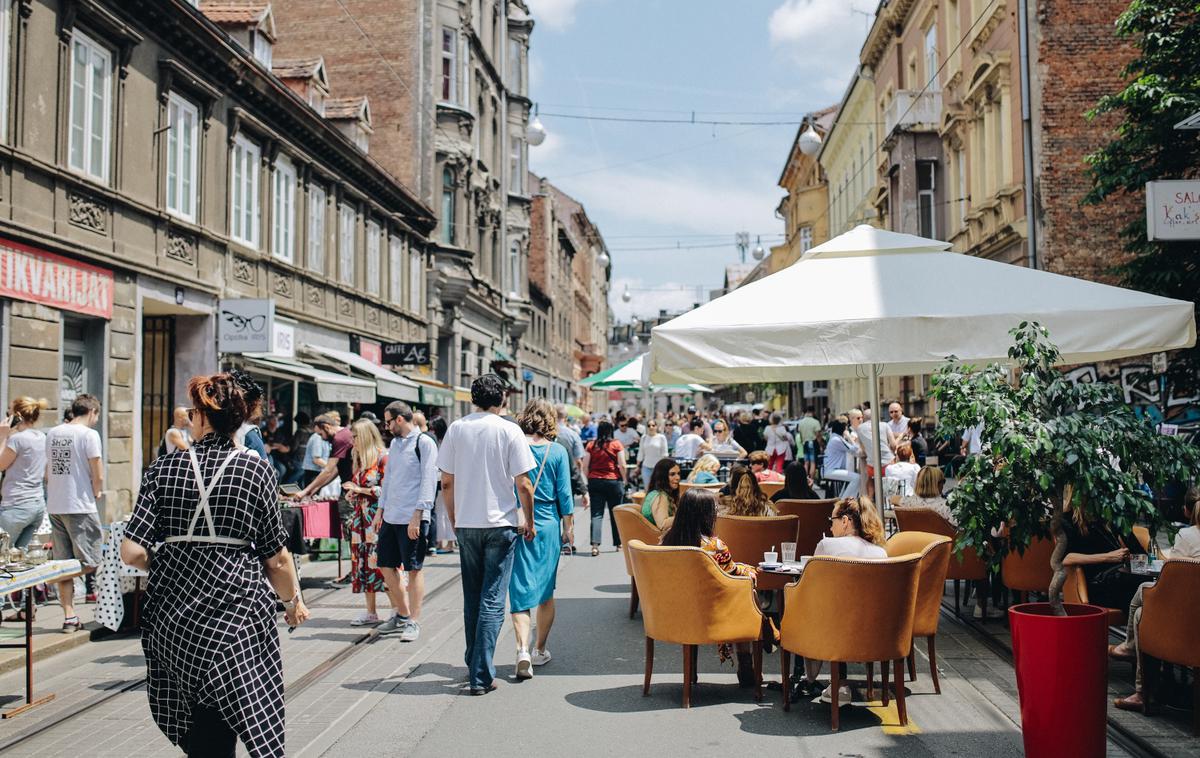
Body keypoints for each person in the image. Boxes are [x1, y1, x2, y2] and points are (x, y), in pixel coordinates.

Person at [120, 372, 309, 757]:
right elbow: (276, 558)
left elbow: (131, 551)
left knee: (195, 722)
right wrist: (292, 604)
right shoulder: (255, 470)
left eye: (194, 410)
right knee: (241, 710)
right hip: (236, 616)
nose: (190, 416)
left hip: (175, 623)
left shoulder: (163, 470)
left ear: (204, 417)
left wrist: (174, 563)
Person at [436, 374, 536, 695]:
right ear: (503, 399)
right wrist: (529, 520)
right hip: (501, 524)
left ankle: (474, 663)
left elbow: (446, 482)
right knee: (493, 598)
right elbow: (523, 484)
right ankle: (480, 674)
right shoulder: (509, 430)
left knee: (472, 596)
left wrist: (454, 518)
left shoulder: (456, 428)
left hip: (467, 523)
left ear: (472, 399)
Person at [1112, 486, 1200, 712]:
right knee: (1144, 606)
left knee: (1144, 605)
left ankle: (1142, 691)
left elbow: (1173, 580)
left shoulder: (1187, 535)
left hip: (1186, 621)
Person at [659, 488, 758, 685]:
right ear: (706, 514)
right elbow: (731, 573)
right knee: (746, 594)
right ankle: (747, 663)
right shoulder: (714, 546)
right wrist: (750, 571)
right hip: (710, 612)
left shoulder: (666, 542)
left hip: (675, 610)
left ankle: (691, 670)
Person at [797, 497, 888, 702]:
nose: (830, 527)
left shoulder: (827, 545)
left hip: (835, 631)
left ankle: (811, 678)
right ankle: (840, 682)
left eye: (833, 520)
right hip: (875, 632)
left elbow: (809, 585)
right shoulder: (881, 553)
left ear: (845, 521)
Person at [508, 399, 574, 678]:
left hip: (518, 523)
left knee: (519, 591)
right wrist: (568, 528)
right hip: (547, 526)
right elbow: (565, 495)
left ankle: (522, 650)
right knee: (546, 592)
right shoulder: (557, 451)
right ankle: (540, 649)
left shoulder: (513, 447)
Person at [376, 401, 439, 641]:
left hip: (412, 516)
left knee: (413, 569)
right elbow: (389, 479)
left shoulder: (424, 443)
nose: (386, 425)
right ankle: (401, 614)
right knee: (385, 564)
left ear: (400, 420)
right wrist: (380, 510)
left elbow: (428, 481)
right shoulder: (395, 443)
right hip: (392, 514)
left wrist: (418, 514)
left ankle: (413, 620)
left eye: (388, 421)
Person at [46, 394, 104, 634]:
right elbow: (97, 470)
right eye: (97, 416)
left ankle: (70, 616)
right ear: (91, 412)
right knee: (93, 560)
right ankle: (45, 577)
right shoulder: (89, 435)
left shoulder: (53, 433)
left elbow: (48, 471)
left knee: (64, 562)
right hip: (80, 504)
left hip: (56, 503)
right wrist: (97, 491)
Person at [341, 419, 388, 627]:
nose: (353, 441)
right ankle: (371, 612)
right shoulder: (361, 459)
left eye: (355, 437)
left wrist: (358, 490)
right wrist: (353, 494)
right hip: (361, 520)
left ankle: (398, 610)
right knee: (364, 563)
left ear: (366, 436)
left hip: (376, 519)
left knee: (381, 564)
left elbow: (385, 491)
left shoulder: (382, 457)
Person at [293, 413, 355, 566]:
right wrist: (316, 487)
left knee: (351, 530)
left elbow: (328, 470)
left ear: (327, 427)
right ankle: (356, 570)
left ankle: (356, 570)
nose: (320, 437)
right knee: (352, 531)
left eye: (320, 433)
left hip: (351, 491)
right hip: (350, 488)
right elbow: (335, 471)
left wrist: (305, 491)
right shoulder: (344, 435)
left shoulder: (340, 439)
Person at [0, 397, 48, 549]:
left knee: (2, 553)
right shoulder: (41, 437)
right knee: (20, 556)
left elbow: (1, 465)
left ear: (17, 415)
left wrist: (2, 436)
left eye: (10, 410)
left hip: (15, 506)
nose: (7, 413)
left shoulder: (16, 440)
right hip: (37, 505)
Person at [584, 420, 626, 557]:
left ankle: (595, 546)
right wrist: (624, 479)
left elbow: (585, 465)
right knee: (616, 513)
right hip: (613, 481)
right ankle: (619, 543)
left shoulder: (591, 445)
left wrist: (588, 479)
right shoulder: (616, 444)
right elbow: (622, 465)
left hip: (595, 481)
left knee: (596, 514)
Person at [556, 405, 587, 554]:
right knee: (567, 508)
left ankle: (556, 541)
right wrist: (581, 484)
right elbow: (578, 460)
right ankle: (567, 541)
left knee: (554, 510)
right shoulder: (572, 434)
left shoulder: (546, 434)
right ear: (566, 417)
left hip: (550, 480)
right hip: (568, 478)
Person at [855, 409, 894, 499]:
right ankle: (888, 502)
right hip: (887, 463)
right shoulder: (884, 425)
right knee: (890, 482)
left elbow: (863, 448)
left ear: (864, 418)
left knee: (870, 479)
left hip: (871, 465)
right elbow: (893, 444)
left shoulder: (860, 428)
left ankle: (870, 500)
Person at [821, 418, 860, 498]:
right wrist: (849, 436)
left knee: (852, 479)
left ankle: (844, 498)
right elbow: (854, 449)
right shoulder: (837, 440)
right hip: (831, 470)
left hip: (831, 469)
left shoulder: (836, 437)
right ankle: (844, 501)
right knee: (857, 478)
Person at [641, 458, 681, 529]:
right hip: (656, 538)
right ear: (662, 476)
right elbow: (663, 524)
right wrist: (685, 516)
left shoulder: (660, 493)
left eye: (678, 473)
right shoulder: (660, 496)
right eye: (672, 474)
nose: (677, 477)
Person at [637, 419, 669, 485]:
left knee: (658, 489)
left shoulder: (661, 437)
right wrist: (637, 466)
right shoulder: (644, 438)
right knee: (647, 489)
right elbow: (640, 453)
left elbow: (665, 454)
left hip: (658, 468)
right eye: (649, 426)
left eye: (653, 425)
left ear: (656, 427)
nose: (651, 427)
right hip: (646, 467)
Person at [283, 413, 313, 485]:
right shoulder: (312, 432)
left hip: (299, 458)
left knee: (298, 473)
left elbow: (294, 447)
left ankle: (286, 486)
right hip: (308, 458)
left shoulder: (300, 432)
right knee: (302, 478)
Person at [301, 420, 331, 488]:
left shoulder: (326, 437)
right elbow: (316, 460)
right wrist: (331, 468)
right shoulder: (317, 437)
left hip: (320, 471)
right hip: (314, 472)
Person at [794, 407, 822, 479]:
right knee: (813, 462)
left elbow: (800, 434)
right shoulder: (815, 422)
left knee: (806, 462)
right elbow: (818, 435)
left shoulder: (801, 422)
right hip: (813, 442)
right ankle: (811, 479)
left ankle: (805, 478)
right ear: (812, 412)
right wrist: (820, 445)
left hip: (805, 443)